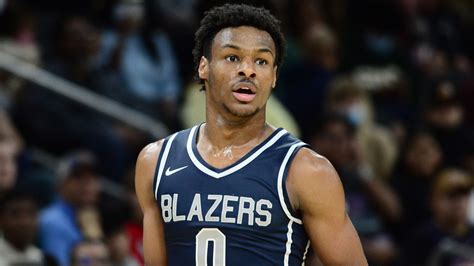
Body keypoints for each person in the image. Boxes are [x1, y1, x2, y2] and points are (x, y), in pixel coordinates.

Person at [135, 4, 367, 265]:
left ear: (274, 76)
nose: (248, 70)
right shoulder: (156, 162)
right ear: (203, 67)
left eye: (262, 61)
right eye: (233, 57)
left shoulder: (307, 170)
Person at [39, 151, 102, 266]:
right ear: (61, 183)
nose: (87, 183)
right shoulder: (52, 220)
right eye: (79, 177)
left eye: (92, 177)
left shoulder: (89, 216)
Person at [0, 190, 45, 266]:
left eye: (31, 213)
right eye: (15, 215)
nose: (25, 222)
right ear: (1, 219)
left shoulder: (45, 259)